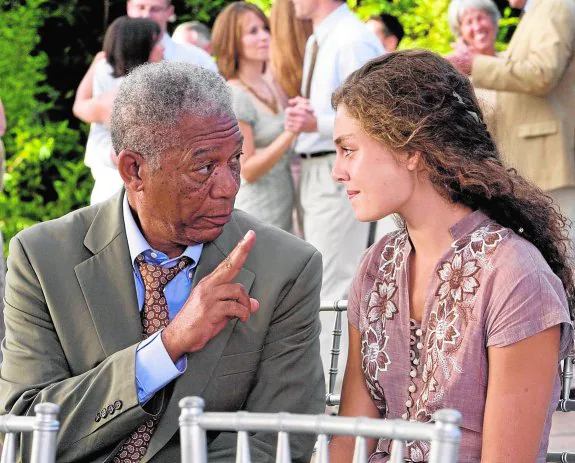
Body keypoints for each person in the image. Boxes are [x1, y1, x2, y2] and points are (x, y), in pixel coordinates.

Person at [0, 61, 325, 462]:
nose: (228, 187)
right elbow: (25, 431)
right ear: (133, 169)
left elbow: (274, 440)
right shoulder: (42, 257)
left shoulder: (287, 267)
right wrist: (165, 349)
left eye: (235, 160)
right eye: (204, 167)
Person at [327, 49, 574, 462]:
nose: (338, 171)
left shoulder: (515, 276)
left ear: (411, 150)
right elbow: (350, 443)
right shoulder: (376, 266)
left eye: (349, 149)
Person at [286, 0, 384, 392]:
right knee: (324, 278)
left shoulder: (350, 40)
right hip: (317, 165)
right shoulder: (323, 39)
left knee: (334, 281)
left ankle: (335, 392)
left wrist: (315, 122)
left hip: (336, 166)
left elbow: (374, 117)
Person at [447, 0, 575, 248]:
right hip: (531, 166)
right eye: (468, 21)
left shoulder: (554, 6)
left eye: (481, 17)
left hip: (548, 162)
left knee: (565, 256)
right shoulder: (536, 12)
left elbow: (542, 75)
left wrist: (473, 64)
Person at [212, 2, 296, 232]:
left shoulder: (271, 84)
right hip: (258, 211)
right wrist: (291, 132)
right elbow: (247, 169)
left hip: (283, 204)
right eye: (252, 32)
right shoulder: (236, 94)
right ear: (232, 41)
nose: (264, 37)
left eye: (264, 28)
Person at [73, 0, 217, 130]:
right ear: (140, 49)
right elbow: (82, 108)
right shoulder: (119, 96)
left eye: (155, 9)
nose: (146, 15)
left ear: (170, 11)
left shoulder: (196, 59)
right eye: (155, 43)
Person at [76, 16, 164, 205]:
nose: (162, 49)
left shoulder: (112, 92)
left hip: (113, 187)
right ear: (139, 47)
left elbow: (79, 106)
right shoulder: (129, 95)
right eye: (156, 43)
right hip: (123, 193)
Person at [447, 0, 500, 135]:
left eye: (480, 18)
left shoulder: (513, 62)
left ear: (493, 22)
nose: (477, 27)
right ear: (460, 32)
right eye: (469, 22)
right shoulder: (455, 75)